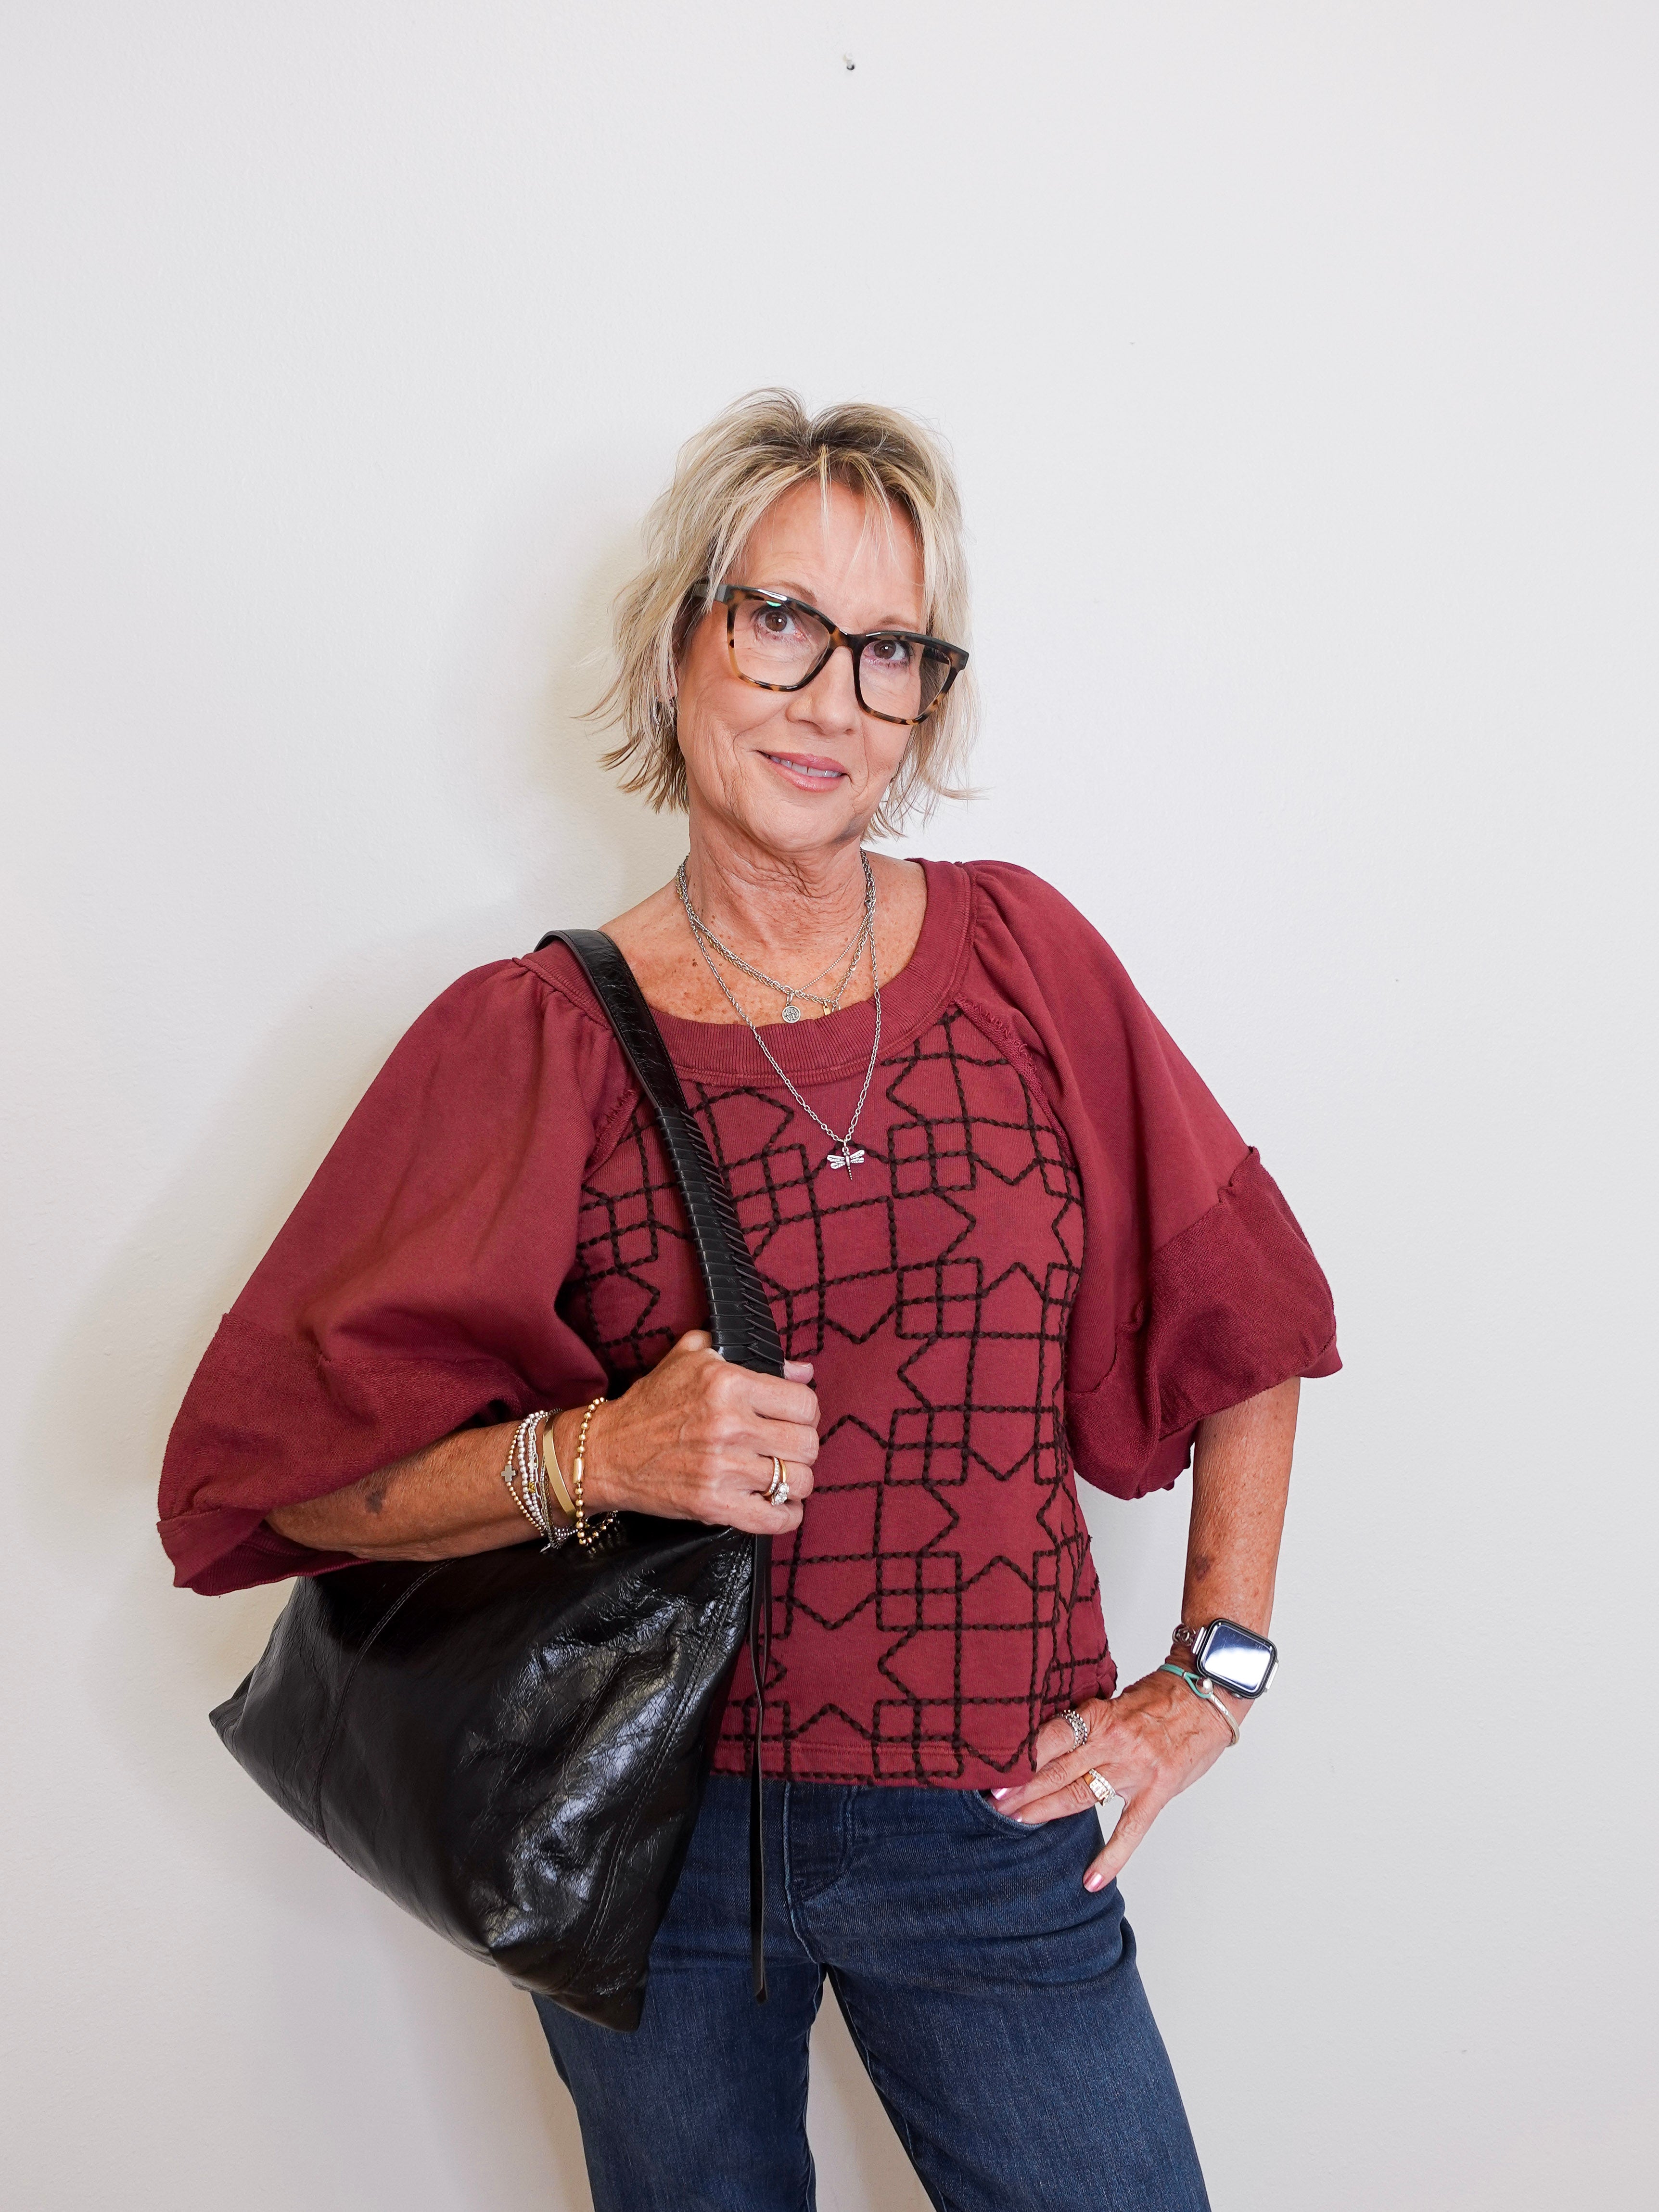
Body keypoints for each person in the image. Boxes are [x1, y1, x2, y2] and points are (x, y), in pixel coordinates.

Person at [160, 389, 1338, 2212]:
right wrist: (600, 1452)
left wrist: (1216, 1673)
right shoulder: (535, 1033)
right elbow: (273, 1488)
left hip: (989, 1819)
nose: (827, 695)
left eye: (888, 650)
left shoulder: (1025, 954)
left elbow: (1252, 1309)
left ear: (925, 704)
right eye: (780, 620)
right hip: (654, 1846)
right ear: (679, 645)